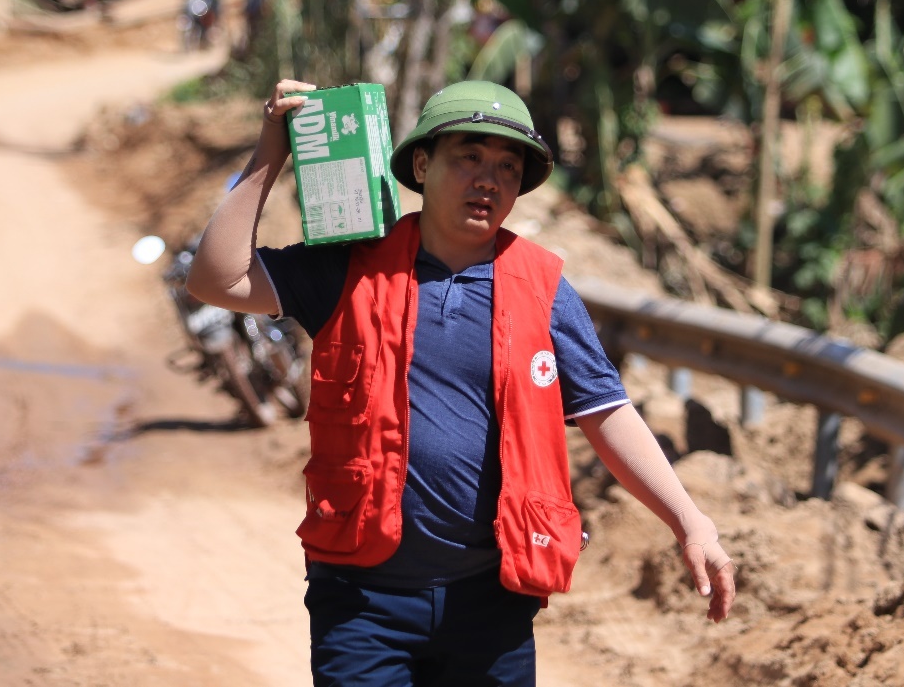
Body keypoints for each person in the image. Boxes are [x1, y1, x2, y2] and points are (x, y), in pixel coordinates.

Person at [187, 78, 736, 686]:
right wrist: (273, 148)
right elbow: (216, 279)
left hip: (490, 606)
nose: (488, 178)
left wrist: (691, 522)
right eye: (468, 156)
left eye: (507, 165)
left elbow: (607, 413)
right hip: (362, 603)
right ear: (421, 165)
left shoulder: (543, 289)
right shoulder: (348, 266)